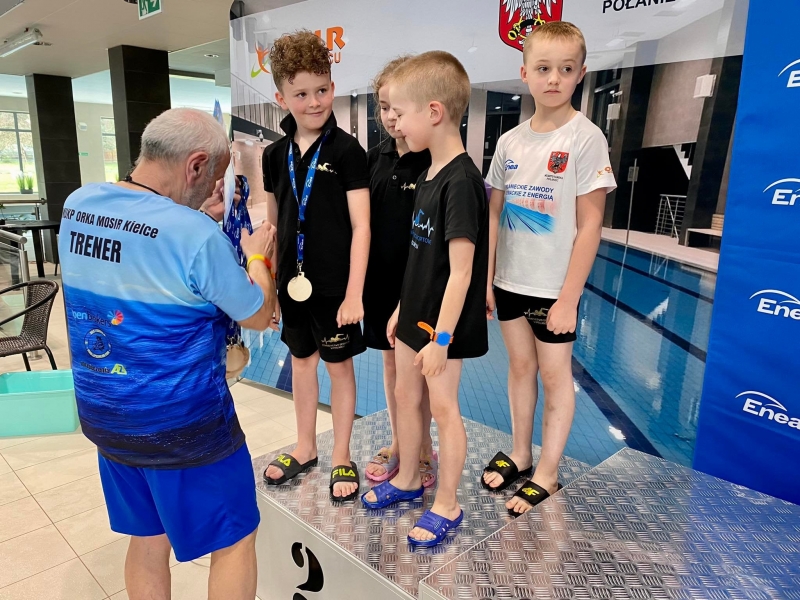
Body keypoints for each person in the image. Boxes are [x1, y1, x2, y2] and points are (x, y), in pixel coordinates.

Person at [58, 108, 278, 600]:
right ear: (195, 165)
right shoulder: (195, 235)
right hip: (184, 427)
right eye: (215, 177)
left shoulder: (78, 204)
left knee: (147, 538)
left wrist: (196, 221)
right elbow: (257, 313)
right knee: (234, 542)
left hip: (106, 415)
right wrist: (257, 255)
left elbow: (143, 250)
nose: (214, 189)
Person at [481, 22, 617, 516]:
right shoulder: (510, 142)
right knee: (520, 369)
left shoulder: (586, 138)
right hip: (509, 282)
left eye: (565, 69)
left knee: (556, 377)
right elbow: (494, 214)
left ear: (581, 73)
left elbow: (591, 223)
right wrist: (487, 280)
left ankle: (548, 471)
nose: (553, 78)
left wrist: (568, 298)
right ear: (525, 73)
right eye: (543, 68)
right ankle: (521, 452)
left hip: (553, 288)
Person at [362, 51, 489, 548]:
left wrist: (442, 339)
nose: (396, 123)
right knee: (405, 395)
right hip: (414, 314)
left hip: (443, 327)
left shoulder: (461, 181)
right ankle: (409, 478)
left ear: (433, 112)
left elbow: (462, 272)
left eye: (401, 112)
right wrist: (402, 308)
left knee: (443, 407)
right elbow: (421, 255)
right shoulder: (430, 173)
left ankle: (447, 503)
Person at [261, 30, 371, 503]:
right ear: (281, 98)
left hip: (334, 286)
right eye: (302, 94)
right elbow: (273, 227)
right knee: (301, 364)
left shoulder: (347, 151)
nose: (314, 102)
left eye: (322, 90)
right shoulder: (273, 155)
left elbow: (362, 227)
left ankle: (341, 454)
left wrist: (354, 293)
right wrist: (269, 290)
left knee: (339, 368)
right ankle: (305, 447)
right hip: (292, 284)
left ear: (333, 86)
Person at [363, 56, 437, 488]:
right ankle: (399, 441)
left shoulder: (433, 160)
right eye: (384, 107)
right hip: (381, 282)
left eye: (398, 106)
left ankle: (423, 447)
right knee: (392, 367)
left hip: (420, 285)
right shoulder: (375, 159)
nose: (391, 116)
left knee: (421, 372)